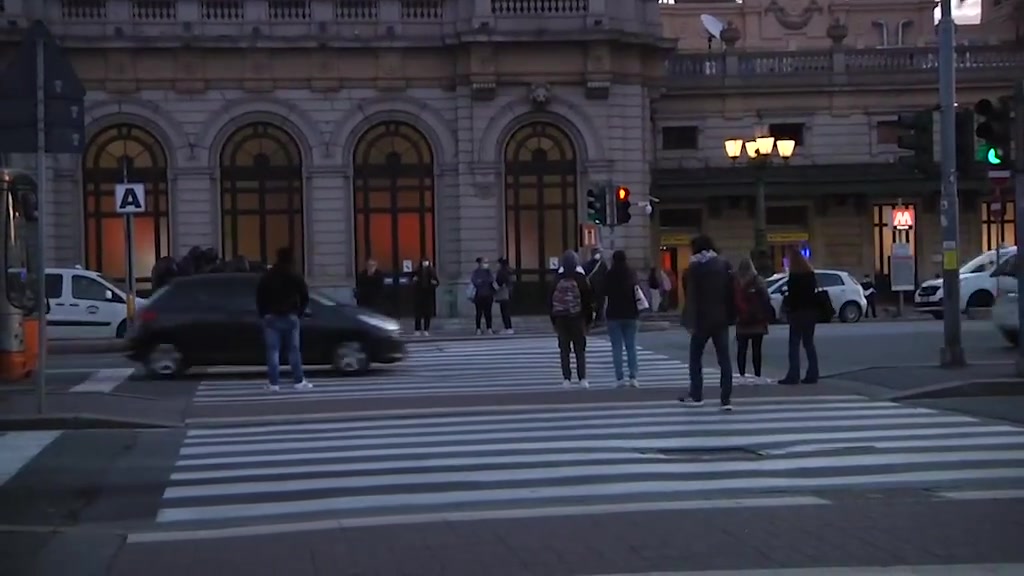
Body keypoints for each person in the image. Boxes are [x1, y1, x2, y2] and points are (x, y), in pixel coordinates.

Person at [680, 234, 735, 411]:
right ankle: (726, 399)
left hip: (702, 319)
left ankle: (697, 395)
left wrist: (689, 320)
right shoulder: (724, 265)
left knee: (695, 358)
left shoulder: (694, 268)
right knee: (724, 360)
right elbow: (730, 292)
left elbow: (691, 296)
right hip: (721, 318)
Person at [256, 247, 311, 392]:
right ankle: (298, 381)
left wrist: (263, 313)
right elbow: (305, 296)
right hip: (290, 316)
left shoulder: (269, 275)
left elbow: (260, 295)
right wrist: (299, 312)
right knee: (293, 350)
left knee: (273, 351)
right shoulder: (294, 274)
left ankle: (273, 383)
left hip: (271, 317)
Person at [550, 250, 594, 388]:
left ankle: (566, 379)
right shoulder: (581, 278)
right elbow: (588, 300)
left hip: (561, 319)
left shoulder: (556, 279)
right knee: (580, 349)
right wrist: (588, 320)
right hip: (577, 318)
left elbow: (549, 300)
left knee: (564, 350)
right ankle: (582, 378)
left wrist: (554, 319)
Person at [780, 247, 819, 384]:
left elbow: (793, 296)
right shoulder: (810, 274)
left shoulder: (794, 276)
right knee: (809, 343)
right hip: (810, 312)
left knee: (794, 344)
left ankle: (794, 374)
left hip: (797, 312)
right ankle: (813, 373)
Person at [605, 250, 641, 388]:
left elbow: (604, 292)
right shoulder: (631, 274)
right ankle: (633, 376)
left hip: (614, 314)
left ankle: (619, 378)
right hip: (631, 314)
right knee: (631, 346)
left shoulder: (609, 274)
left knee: (617, 347)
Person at [734, 257, 772, 380]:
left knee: (742, 350)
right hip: (757, 321)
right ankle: (757, 374)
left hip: (742, 320)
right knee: (757, 350)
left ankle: (741, 374)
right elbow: (766, 298)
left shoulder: (737, 281)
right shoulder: (758, 280)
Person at [412, 258, 439, 336]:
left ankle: (426, 329)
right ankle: (417, 329)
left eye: (426, 262)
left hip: (428, 294)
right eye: (424, 262)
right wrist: (414, 281)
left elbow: (437, 282)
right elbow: (413, 279)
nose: (425, 263)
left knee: (427, 313)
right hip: (419, 294)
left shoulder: (431, 271)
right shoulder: (417, 270)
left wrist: (434, 283)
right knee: (418, 313)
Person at [470, 257, 496, 335]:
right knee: (479, 313)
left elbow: (491, 280)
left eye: (486, 262)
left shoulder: (488, 272)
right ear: (480, 263)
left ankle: (489, 328)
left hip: (488, 295)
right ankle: (478, 328)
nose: (486, 264)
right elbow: (475, 282)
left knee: (488, 313)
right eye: (484, 262)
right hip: (479, 295)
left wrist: (482, 281)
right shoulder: (476, 272)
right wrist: (483, 281)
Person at [583, 248, 608, 323]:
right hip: (594, 287)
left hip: (596, 287)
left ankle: (598, 318)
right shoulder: (594, 264)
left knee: (598, 304)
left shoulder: (601, 264)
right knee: (596, 303)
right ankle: (598, 319)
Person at [495, 257, 515, 334]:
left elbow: (499, 282)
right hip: (508, 293)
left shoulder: (501, 272)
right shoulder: (509, 271)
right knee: (506, 311)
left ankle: (508, 327)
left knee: (504, 311)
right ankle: (508, 327)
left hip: (503, 293)